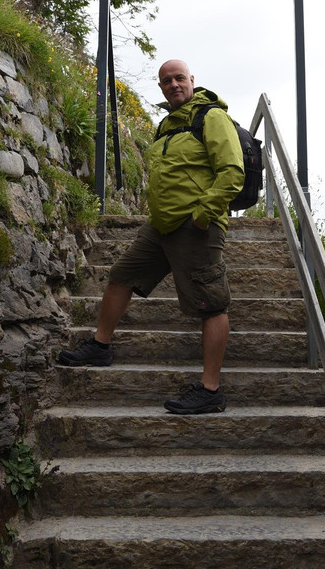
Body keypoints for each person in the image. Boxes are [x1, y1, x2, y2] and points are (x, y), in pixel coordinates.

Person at [58, 59, 244, 414]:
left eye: (178, 78)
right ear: (160, 88)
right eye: (165, 81)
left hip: (196, 228)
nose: (173, 84)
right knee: (121, 276)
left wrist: (203, 216)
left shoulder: (211, 117)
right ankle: (100, 347)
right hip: (160, 226)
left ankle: (210, 390)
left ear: (192, 80)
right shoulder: (165, 126)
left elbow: (232, 172)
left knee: (211, 305)